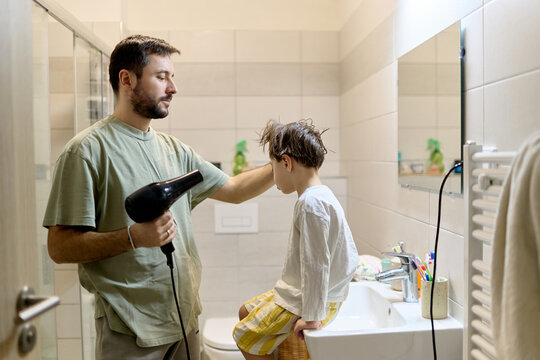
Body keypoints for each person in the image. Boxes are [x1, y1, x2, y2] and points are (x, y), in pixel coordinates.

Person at [43, 35, 273, 360]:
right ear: (127, 79)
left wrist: (282, 163)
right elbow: (59, 247)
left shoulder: (175, 150)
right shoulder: (86, 151)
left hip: (184, 321)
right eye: (161, 77)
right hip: (131, 331)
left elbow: (235, 190)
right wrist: (132, 238)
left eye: (172, 77)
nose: (173, 88)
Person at [232, 120, 359, 360]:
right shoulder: (321, 195)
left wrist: (311, 318)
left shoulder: (311, 204)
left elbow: (316, 266)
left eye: (273, 167)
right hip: (303, 290)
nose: (274, 177)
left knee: (244, 336)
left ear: (287, 163)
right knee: (244, 312)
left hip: (308, 299)